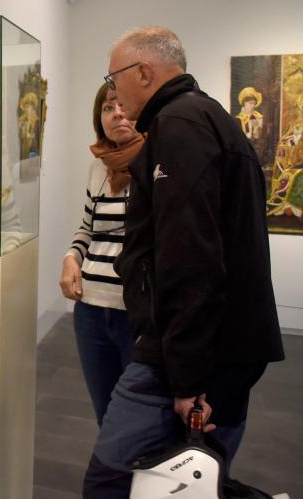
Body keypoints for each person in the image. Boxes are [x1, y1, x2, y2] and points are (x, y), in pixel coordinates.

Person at [82, 26, 284, 496]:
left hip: (188, 356)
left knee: (110, 479)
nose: (112, 92)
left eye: (115, 79)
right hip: (220, 346)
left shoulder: (180, 124)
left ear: (144, 72)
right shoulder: (204, 117)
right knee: (196, 476)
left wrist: (188, 375)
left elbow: (189, 257)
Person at [61, 83, 143, 426]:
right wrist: (70, 259)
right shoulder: (98, 166)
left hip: (135, 313)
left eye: (123, 106)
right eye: (108, 108)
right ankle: (115, 480)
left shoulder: (157, 164)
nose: (117, 114)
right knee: (105, 415)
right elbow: (87, 229)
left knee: (139, 415)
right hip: (91, 311)